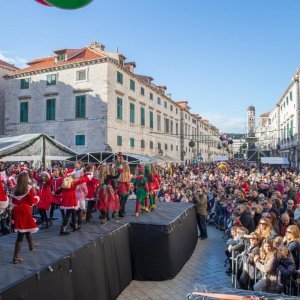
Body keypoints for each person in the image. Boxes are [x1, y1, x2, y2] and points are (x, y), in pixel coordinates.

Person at [10, 171, 39, 263]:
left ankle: (31, 244)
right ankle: (16, 257)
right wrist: (37, 198)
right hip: (25, 210)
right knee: (21, 234)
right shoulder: (29, 188)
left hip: (17, 211)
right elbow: (31, 202)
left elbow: (13, 202)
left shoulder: (15, 189)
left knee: (25, 229)